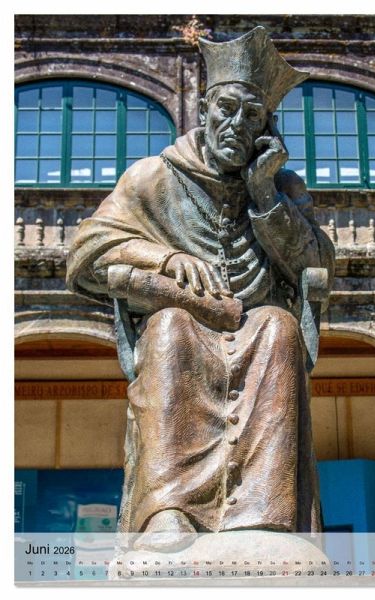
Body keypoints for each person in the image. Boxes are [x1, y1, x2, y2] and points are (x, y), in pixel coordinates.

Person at [66, 26, 335, 549]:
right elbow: (85, 254)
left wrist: (265, 196)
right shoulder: (152, 177)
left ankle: (266, 517)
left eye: (252, 116)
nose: (237, 124)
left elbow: (318, 264)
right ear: (205, 109)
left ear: (267, 129)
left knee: (278, 327)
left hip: (258, 322)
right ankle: (168, 511)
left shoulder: (283, 187)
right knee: (171, 328)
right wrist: (164, 257)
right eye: (227, 109)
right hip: (181, 320)